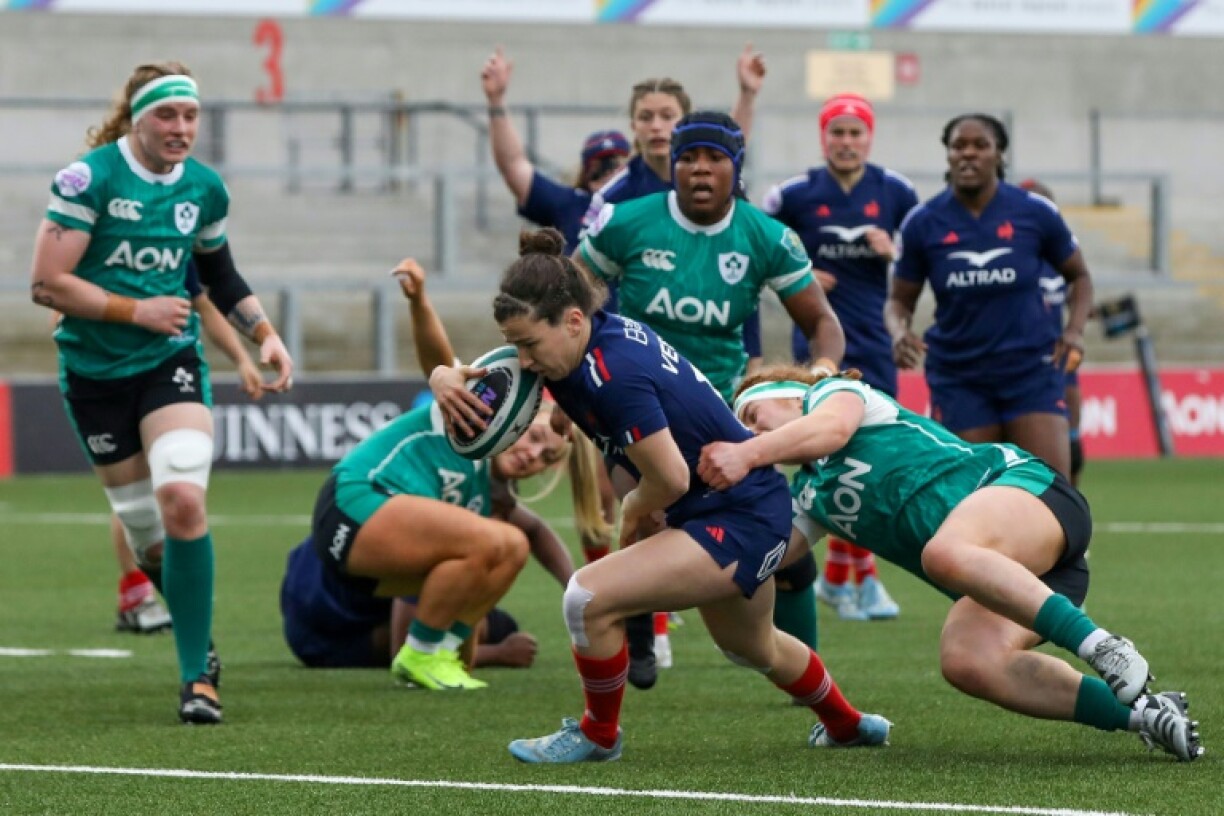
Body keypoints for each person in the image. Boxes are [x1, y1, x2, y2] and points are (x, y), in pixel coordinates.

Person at [432, 227, 889, 763]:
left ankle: (598, 735)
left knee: (587, 598)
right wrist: (444, 376)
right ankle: (848, 723)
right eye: (516, 345)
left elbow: (668, 478)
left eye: (529, 345)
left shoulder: (612, 374)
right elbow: (484, 372)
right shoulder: (584, 341)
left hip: (735, 514)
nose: (524, 360)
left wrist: (632, 511)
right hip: (745, 503)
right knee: (752, 646)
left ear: (573, 320)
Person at [696, 365, 1203, 762]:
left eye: (749, 415)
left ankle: (1103, 646)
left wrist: (747, 454)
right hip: (1024, 577)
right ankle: (1144, 715)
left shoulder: (834, 394)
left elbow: (827, 431)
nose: (745, 432)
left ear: (785, 391)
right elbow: (766, 554)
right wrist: (687, 538)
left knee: (944, 551)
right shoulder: (806, 493)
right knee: (967, 662)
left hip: (1029, 496)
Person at [29, 62, 294, 724]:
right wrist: (134, 309)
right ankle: (196, 639)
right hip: (92, 375)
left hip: (168, 363)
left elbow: (218, 272)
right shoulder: (88, 178)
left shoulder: (204, 189)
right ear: (137, 118)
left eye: (191, 116)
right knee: (147, 535)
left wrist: (264, 334)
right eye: (167, 116)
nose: (181, 129)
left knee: (181, 499)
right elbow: (46, 283)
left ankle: (196, 677)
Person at [576, 111, 845, 681]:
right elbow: (566, 302)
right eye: (688, 157)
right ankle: (640, 640)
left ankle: (807, 678)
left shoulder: (766, 237)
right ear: (671, 164)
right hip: (637, 411)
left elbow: (822, 321)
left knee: (787, 559)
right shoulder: (626, 222)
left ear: (735, 167)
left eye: (714, 158)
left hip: (724, 424)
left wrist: (821, 371)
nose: (700, 169)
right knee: (645, 524)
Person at [295, 258, 601, 691]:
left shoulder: (489, 501)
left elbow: (536, 536)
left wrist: (583, 592)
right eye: (532, 438)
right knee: (503, 541)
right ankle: (418, 653)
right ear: (513, 422)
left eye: (546, 456)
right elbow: (437, 357)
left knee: (507, 551)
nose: (533, 454)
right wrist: (419, 301)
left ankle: (436, 655)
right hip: (353, 503)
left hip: (369, 568)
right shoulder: (471, 416)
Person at [761, 92, 916, 623]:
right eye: (837, 132)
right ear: (823, 136)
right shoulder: (794, 196)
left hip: (875, 341)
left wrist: (894, 250)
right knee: (827, 459)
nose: (846, 142)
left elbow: (921, 257)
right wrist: (798, 271)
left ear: (869, 137)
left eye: (855, 132)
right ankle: (855, 580)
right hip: (819, 350)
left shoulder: (896, 192)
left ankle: (847, 578)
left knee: (873, 458)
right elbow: (759, 254)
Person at [885, 114, 1093, 480]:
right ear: (947, 156)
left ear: (999, 155)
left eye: (980, 145)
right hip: (959, 377)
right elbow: (899, 300)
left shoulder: (1034, 211)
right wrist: (899, 331)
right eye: (958, 146)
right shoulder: (923, 222)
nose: (968, 154)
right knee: (971, 497)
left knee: (1051, 495)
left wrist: (1074, 330)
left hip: (1030, 370)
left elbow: (1079, 276)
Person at [113, 261, 264, 635]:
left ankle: (162, 597)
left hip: (169, 376)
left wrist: (243, 359)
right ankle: (137, 593)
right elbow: (60, 296)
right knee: (136, 495)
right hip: (111, 376)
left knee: (178, 489)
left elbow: (204, 303)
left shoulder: (176, 243)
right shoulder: (108, 238)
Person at [481, 47, 631, 253]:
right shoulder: (570, 204)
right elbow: (513, 166)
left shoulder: (646, 206)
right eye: (602, 167)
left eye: (618, 164)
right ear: (587, 174)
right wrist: (496, 101)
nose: (611, 174)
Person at [1019, 178, 1086, 486]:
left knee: (1070, 452)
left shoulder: (1061, 259)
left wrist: (1077, 325)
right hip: (1016, 365)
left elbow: (1079, 290)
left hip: (1057, 362)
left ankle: (1068, 520)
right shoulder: (1010, 257)